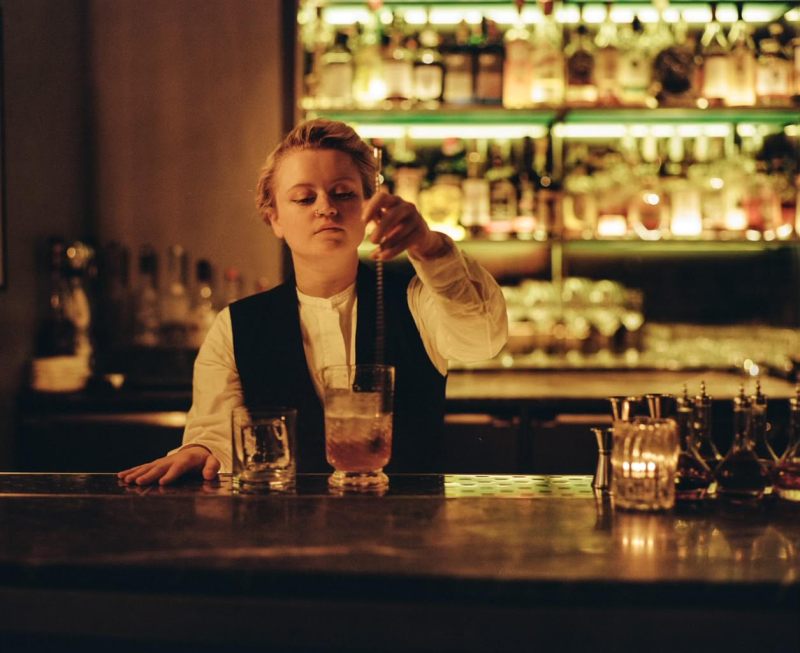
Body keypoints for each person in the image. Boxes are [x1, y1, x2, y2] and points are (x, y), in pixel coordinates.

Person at [118, 119, 507, 486]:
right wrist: (200, 450)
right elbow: (217, 434)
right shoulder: (237, 325)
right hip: (289, 539)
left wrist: (429, 246)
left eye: (343, 193)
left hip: (410, 536)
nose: (326, 207)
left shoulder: (417, 298)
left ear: (368, 207)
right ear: (274, 219)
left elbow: (480, 340)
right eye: (304, 198)